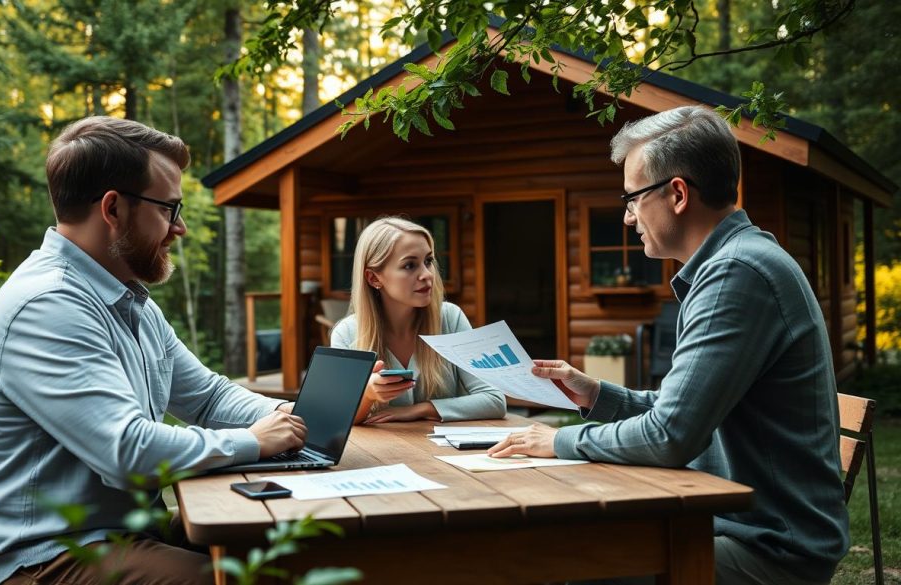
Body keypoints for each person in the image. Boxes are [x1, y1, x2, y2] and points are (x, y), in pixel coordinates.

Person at [488, 106, 848, 584]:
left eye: (633, 197)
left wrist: (556, 440)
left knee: (560, 562)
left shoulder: (736, 273)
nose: (626, 215)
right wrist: (598, 395)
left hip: (768, 549)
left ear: (677, 194)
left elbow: (669, 435)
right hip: (733, 525)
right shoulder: (738, 262)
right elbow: (683, 411)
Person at [0, 116, 307, 585]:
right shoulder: (48, 305)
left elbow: (207, 398)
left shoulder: (125, 298)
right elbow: (127, 450)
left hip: (119, 536)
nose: (178, 228)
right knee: (256, 578)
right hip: (47, 558)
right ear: (113, 208)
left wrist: (291, 415)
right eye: (169, 208)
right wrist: (254, 440)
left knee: (289, 549)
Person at [331, 217, 506, 424]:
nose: (427, 275)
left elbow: (494, 400)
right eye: (409, 265)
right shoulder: (347, 333)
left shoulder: (451, 318)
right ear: (373, 278)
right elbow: (339, 419)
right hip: (382, 454)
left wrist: (420, 409)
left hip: (444, 453)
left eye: (428, 261)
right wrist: (368, 394)